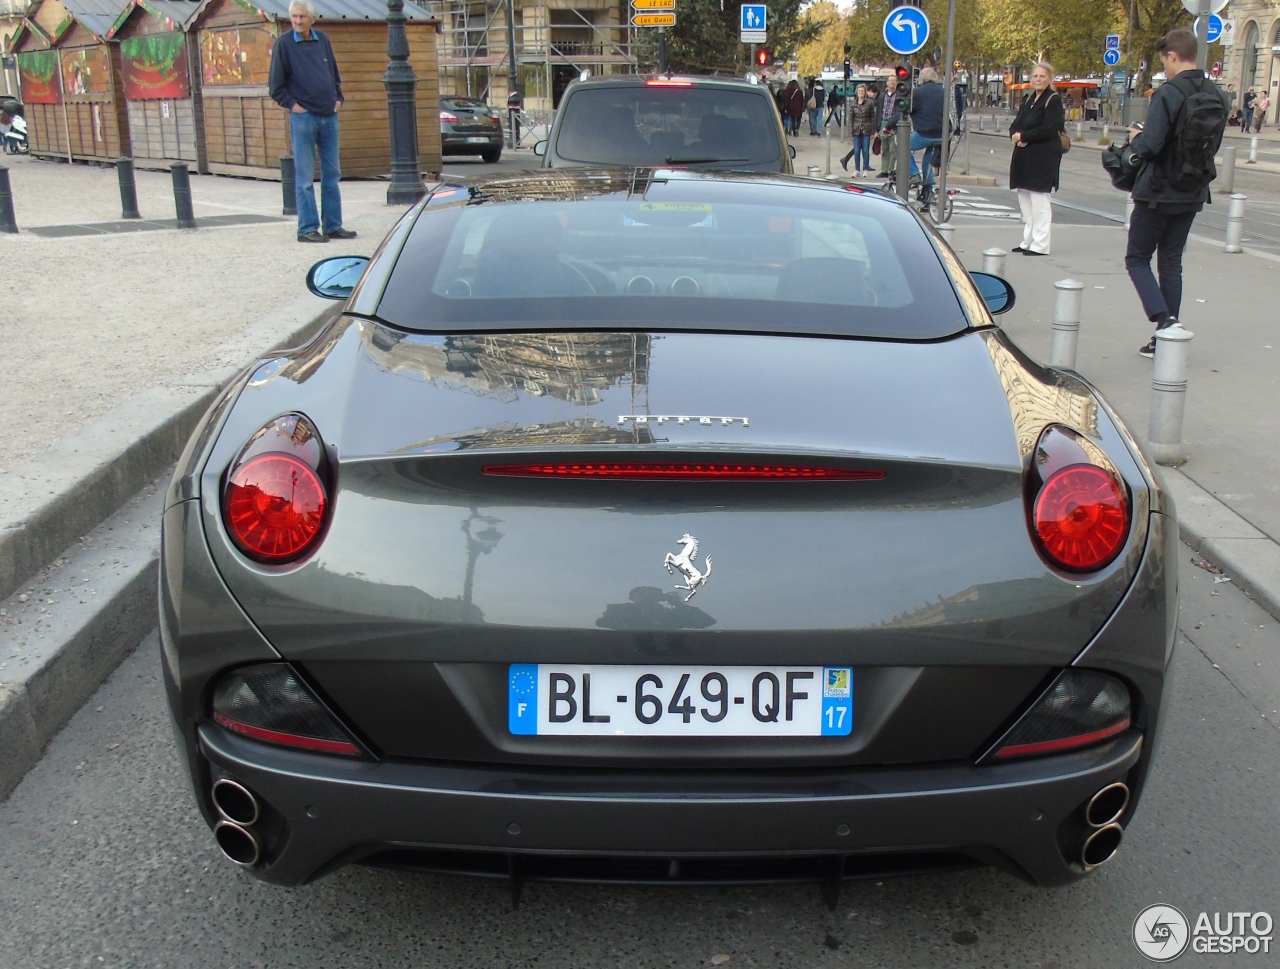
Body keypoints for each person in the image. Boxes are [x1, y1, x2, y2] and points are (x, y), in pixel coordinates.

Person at [1124, 28, 1227, 358]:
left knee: (1137, 258)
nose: (1164, 68)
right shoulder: (1217, 94)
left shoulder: (1168, 94)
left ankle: (1165, 322)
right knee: (1170, 262)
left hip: (1157, 190)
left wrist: (1134, 139)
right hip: (1193, 190)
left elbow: (1151, 145)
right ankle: (1164, 337)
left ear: (1172, 56)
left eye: (1164, 61)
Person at [269, 0, 357, 243]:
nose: (297, 21)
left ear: (312, 19)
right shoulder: (284, 44)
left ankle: (333, 226)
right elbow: (275, 86)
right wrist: (294, 106)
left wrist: (338, 98)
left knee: (332, 174)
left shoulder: (323, 40)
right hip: (304, 117)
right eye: (294, 17)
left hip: (329, 115)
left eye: (302, 17)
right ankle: (307, 228)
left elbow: (334, 75)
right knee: (305, 177)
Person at [1008, 62, 1064, 256]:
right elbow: (1016, 124)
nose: (1038, 79)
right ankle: (1028, 241)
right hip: (1024, 157)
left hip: (1042, 158)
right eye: (1035, 76)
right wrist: (1015, 135)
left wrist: (1023, 137)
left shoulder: (1053, 100)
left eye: (1042, 76)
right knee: (1025, 201)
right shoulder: (1029, 99)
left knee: (1039, 202)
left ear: (1050, 79)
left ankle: (1041, 245)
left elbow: (1049, 128)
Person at [908, 67, 945, 192]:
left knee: (902, 146)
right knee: (928, 161)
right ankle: (928, 194)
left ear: (922, 78)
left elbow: (905, 110)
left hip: (924, 133)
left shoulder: (917, 92)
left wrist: (889, 125)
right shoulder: (943, 91)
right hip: (941, 134)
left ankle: (914, 174)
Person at [839, 84, 877, 176]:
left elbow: (872, 117)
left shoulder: (869, 103)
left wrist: (874, 130)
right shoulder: (853, 104)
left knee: (865, 151)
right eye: (859, 91)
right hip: (856, 130)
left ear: (865, 93)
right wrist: (850, 134)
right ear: (857, 92)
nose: (861, 93)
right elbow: (850, 120)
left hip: (866, 130)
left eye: (862, 91)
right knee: (856, 151)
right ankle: (857, 169)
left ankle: (865, 169)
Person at [877, 73, 900, 178]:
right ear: (887, 83)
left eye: (894, 81)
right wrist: (877, 128)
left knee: (892, 149)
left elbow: (899, 112)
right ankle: (884, 170)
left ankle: (891, 170)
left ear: (897, 83)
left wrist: (893, 124)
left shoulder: (899, 96)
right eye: (890, 81)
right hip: (883, 122)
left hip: (894, 123)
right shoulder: (882, 96)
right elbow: (878, 111)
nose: (892, 82)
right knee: (884, 148)